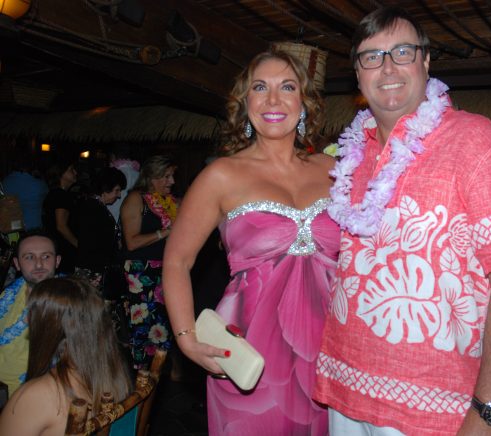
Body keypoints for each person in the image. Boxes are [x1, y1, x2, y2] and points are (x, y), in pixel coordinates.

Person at [313, 7, 491, 435]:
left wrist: (489, 409)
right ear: (358, 75)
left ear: (426, 60)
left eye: (402, 51)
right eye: (371, 56)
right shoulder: (352, 154)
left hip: (434, 404)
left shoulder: (477, 141)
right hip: (345, 388)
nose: (387, 68)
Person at [163, 48, 337, 435]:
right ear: (245, 103)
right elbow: (176, 260)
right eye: (260, 87)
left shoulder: (333, 170)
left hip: (331, 349)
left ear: (304, 102)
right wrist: (187, 340)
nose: (273, 99)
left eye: (287, 87)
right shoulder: (221, 175)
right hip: (250, 349)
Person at [0, 277, 132, 435]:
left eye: (33, 312)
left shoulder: (35, 397)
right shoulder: (117, 376)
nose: (26, 320)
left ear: (51, 326)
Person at [120, 154, 178, 369]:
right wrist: (166, 232)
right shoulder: (136, 199)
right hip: (140, 272)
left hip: (164, 270)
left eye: (172, 176)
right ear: (152, 177)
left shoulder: (168, 201)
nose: (172, 181)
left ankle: (157, 373)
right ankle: (141, 376)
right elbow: (131, 242)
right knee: (142, 328)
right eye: (166, 176)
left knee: (163, 327)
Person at [0, 231, 60, 396]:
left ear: (57, 261)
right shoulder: (9, 294)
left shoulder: (72, 302)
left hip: (36, 394)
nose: (39, 264)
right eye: (29, 257)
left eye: (46, 256)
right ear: (17, 264)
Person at [75, 167, 126, 289]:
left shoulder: (96, 206)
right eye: (116, 190)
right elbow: (93, 240)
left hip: (95, 266)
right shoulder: (92, 207)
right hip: (92, 268)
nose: (119, 195)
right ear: (105, 188)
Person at [42, 159, 78, 274]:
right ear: (61, 174)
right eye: (71, 170)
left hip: (55, 246)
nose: (75, 172)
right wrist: (78, 245)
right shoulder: (61, 195)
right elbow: (61, 226)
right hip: (62, 248)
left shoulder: (55, 193)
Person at [1, 151, 48, 231]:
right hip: (33, 229)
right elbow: (47, 197)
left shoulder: (5, 182)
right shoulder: (38, 184)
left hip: (12, 230)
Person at [107, 145, 141, 222]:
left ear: (112, 157)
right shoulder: (139, 175)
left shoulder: (113, 174)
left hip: (113, 219)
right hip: (133, 219)